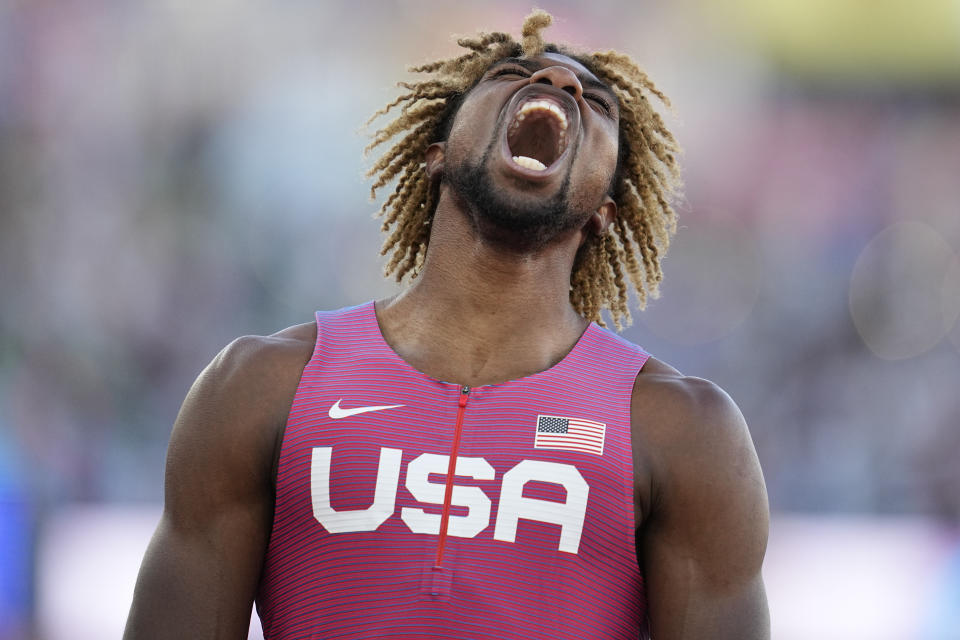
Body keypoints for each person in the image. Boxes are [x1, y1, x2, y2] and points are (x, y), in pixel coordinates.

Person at [124, 11, 769, 640]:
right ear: (436, 152)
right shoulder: (261, 385)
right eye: (513, 73)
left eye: (597, 104)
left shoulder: (683, 431)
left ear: (606, 209)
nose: (562, 85)